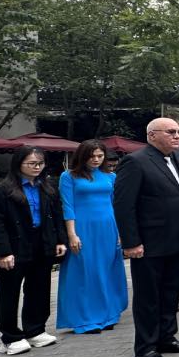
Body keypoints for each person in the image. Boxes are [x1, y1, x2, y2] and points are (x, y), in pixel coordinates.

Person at [113, 117, 179, 357]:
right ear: (152, 135)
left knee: (171, 292)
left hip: (178, 239)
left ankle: (167, 336)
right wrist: (131, 242)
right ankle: (146, 346)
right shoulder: (135, 162)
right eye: (170, 132)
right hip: (149, 243)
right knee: (148, 296)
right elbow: (124, 205)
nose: (177, 136)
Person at [0, 146, 68, 355]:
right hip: (15, 244)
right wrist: (3, 252)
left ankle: (35, 330)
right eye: (31, 163)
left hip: (42, 242)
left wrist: (60, 240)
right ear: (18, 164)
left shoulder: (48, 186)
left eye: (40, 163)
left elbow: (57, 215)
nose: (37, 167)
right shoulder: (2, 190)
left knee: (39, 287)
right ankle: (10, 336)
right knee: (9, 291)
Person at [58, 139, 128, 334]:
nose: (96, 159)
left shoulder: (111, 176)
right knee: (85, 271)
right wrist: (72, 234)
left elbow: (117, 205)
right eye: (92, 156)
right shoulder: (68, 176)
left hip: (108, 227)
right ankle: (85, 318)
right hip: (83, 229)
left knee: (107, 269)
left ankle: (109, 314)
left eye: (100, 156)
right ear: (82, 156)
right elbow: (67, 206)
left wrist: (121, 232)